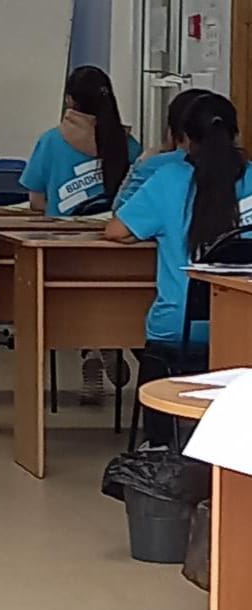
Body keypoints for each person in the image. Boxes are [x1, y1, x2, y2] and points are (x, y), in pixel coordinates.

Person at [106, 92, 252, 444]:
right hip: (244, 326)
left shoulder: (170, 178)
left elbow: (117, 230)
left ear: (183, 139)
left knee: (161, 334)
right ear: (234, 133)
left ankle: (161, 445)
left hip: (179, 329)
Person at [21, 64, 141, 403]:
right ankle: (111, 341)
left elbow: (36, 201)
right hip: (119, 249)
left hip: (65, 251)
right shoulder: (129, 144)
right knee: (113, 293)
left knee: (73, 296)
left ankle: (91, 349)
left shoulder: (51, 141)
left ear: (70, 101)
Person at [114, 87, 204, 213]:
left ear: (173, 129)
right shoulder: (229, 163)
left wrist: (141, 162)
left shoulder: (159, 164)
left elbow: (121, 211)